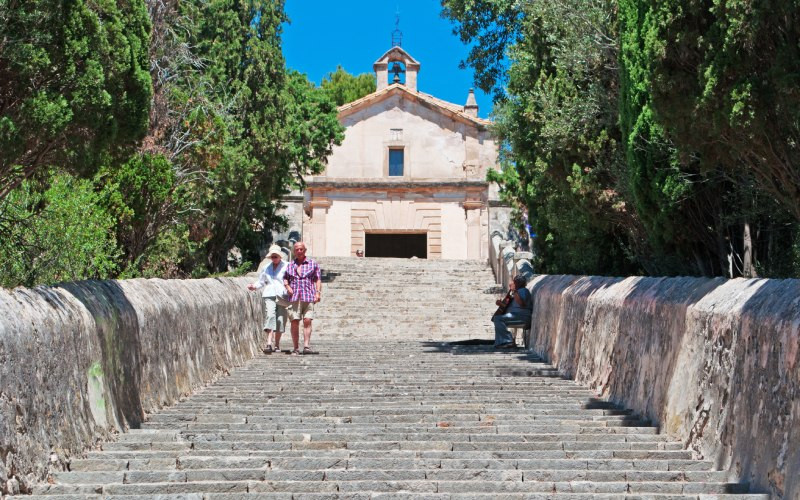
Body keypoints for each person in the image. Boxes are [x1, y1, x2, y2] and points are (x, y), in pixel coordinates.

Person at [247, 245, 288, 354]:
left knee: (280, 320)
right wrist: (254, 286)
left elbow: (292, 279)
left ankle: (277, 344)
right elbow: (261, 281)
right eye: (272, 257)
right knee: (270, 316)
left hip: (283, 295)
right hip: (269, 294)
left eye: (276, 256)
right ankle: (269, 343)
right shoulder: (266, 268)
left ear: (280, 256)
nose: (274, 258)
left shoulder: (287, 266)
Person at [283, 241, 322, 355]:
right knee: (294, 322)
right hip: (295, 297)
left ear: (305, 250)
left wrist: (318, 292)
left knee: (307, 320)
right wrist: (287, 286)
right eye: (297, 249)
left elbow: (318, 278)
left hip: (308, 296)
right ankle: (296, 347)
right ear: (294, 252)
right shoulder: (290, 265)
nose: (299, 251)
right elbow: (285, 278)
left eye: (301, 249)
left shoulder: (312, 264)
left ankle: (306, 346)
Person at [492, 275, 532, 348]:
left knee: (498, 319)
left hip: (522, 317)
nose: (513, 283)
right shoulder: (515, 293)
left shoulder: (523, 291)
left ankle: (508, 341)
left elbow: (522, 304)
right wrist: (500, 304)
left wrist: (515, 292)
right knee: (498, 318)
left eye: (515, 282)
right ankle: (506, 341)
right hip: (514, 316)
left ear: (519, 283)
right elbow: (510, 306)